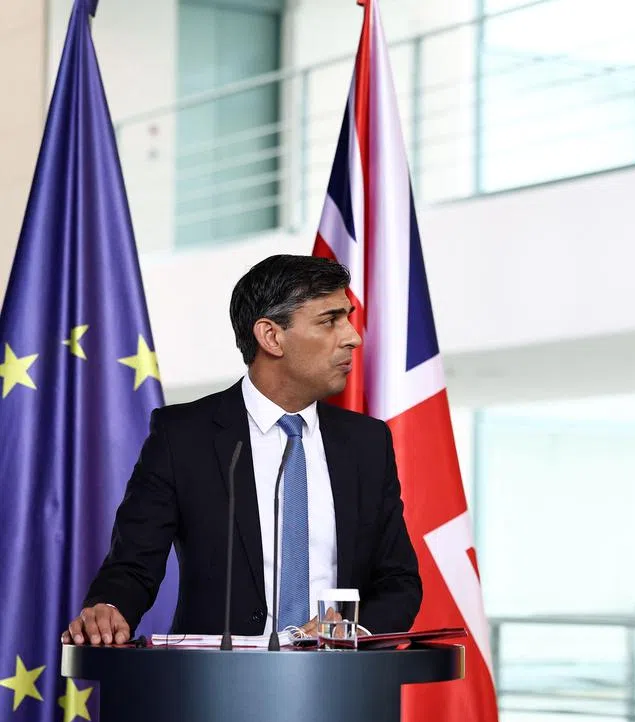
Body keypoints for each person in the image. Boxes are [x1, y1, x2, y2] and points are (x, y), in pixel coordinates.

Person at [62, 254, 422, 645]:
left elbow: (397, 579)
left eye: (347, 317)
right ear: (271, 336)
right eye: (330, 320)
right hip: (215, 688)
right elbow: (133, 565)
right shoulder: (183, 436)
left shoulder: (367, 442)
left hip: (339, 685)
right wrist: (109, 608)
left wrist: (353, 633)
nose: (353, 336)